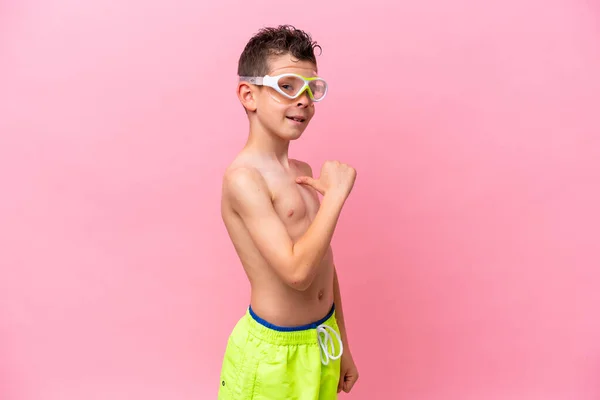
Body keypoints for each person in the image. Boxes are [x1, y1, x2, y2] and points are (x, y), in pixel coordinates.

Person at [218, 25, 359, 399]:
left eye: (311, 89)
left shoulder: (302, 173)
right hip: (273, 356)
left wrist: (342, 344)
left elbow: (324, 266)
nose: (304, 100)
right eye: (287, 86)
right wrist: (335, 199)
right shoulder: (244, 179)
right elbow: (297, 273)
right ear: (249, 94)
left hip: (320, 343)